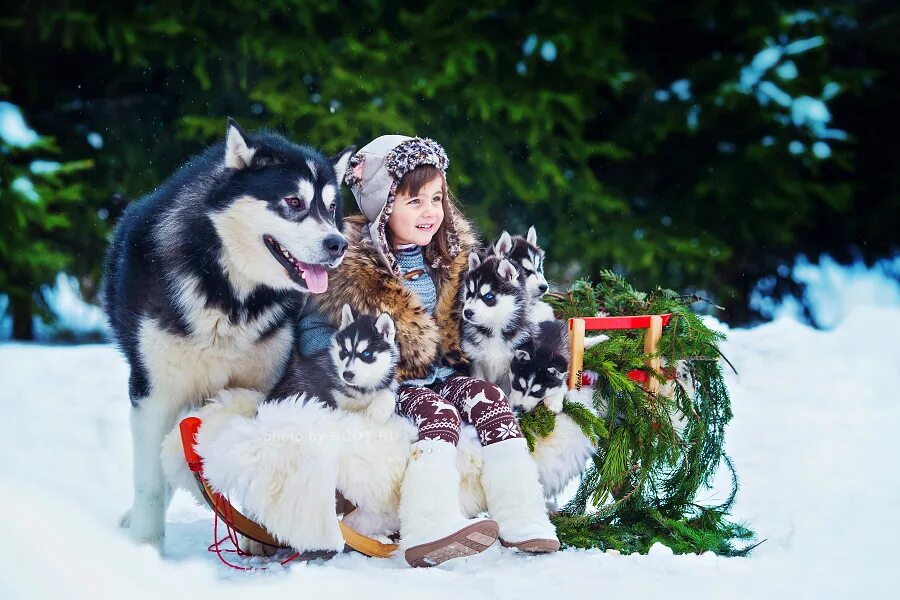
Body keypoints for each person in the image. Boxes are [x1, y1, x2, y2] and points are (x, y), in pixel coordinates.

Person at [298, 135, 559, 567]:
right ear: (383, 205)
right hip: (395, 383)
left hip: (448, 373)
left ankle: (521, 514)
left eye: (436, 199)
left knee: (491, 399)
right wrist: (338, 365)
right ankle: (428, 524)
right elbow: (313, 326)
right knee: (439, 416)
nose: (430, 212)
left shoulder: (454, 259)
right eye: (414, 201)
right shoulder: (350, 267)